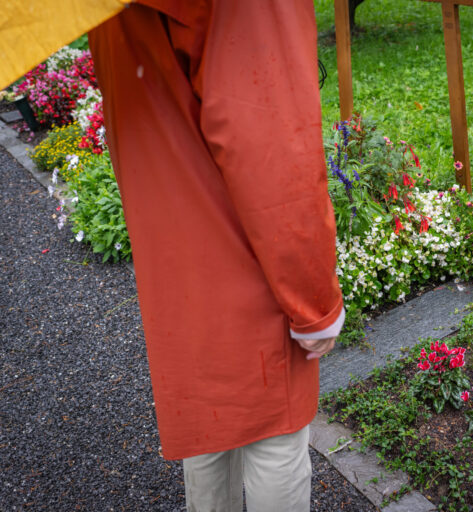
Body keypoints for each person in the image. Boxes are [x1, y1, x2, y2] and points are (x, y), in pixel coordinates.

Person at [88, 2, 345, 511]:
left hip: (174, 241)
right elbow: (271, 144)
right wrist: (313, 302)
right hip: (246, 249)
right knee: (274, 430)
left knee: (209, 412)